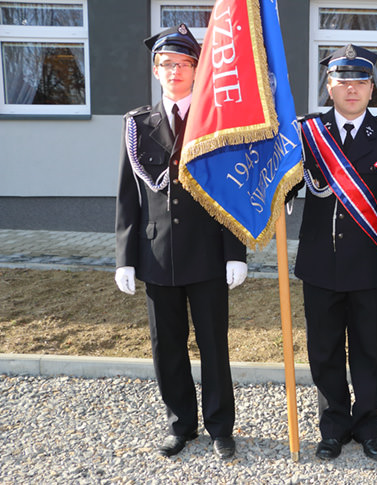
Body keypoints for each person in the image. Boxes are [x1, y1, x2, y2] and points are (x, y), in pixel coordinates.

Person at [114, 24, 248, 459]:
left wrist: (235, 252)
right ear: (156, 70)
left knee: (214, 345)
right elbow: (128, 196)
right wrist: (124, 258)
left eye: (184, 64)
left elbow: (230, 190)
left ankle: (220, 427)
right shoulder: (138, 124)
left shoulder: (214, 122)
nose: (175, 71)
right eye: (167, 64)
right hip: (157, 254)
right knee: (166, 347)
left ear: (197, 69)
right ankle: (181, 425)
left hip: (209, 255)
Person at [295, 44, 377, 462]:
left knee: (368, 351)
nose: (352, 88)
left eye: (360, 81)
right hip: (320, 264)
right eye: (343, 80)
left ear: (371, 87)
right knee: (323, 351)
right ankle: (333, 428)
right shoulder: (306, 132)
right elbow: (285, 184)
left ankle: (368, 428)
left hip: (370, 268)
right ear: (330, 86)